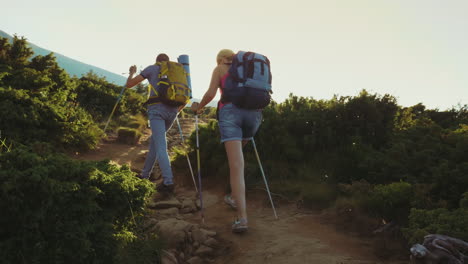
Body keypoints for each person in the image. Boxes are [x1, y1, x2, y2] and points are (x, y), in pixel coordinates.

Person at [191, 49, 263, 233]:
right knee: (238, 162)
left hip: (231, 113)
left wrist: (198, 107)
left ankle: (242, 219)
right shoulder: (247, 69)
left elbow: (211, 93)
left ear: (220, 59)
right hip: (254, 115)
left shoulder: (220, 68)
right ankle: (232, 197)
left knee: (236, 166)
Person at [126, 53, 185, 194]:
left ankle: (168, 181)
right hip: (173, 111)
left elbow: (130, 85)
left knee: (160, 145)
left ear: (157, 61)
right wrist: (176, 110)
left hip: (157, 110)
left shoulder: (152, 69)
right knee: (155, 142)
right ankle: (144, 175)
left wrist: (131, 73)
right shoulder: (176, 72)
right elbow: (185, 96)